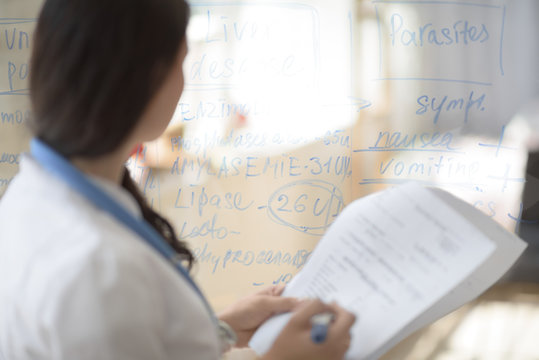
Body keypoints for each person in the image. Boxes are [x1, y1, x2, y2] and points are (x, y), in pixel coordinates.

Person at [0, 0, 355, 359]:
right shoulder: (99, 270)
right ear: (146, 77)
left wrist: (218, 329)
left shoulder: (26, 197)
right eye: (183, 60)